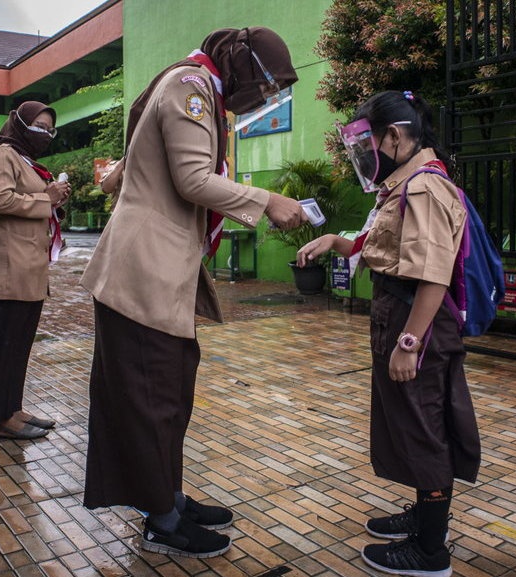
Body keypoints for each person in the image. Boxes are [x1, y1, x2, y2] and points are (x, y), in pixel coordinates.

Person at [79, 27, 306, 558]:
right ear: (243, 65)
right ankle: (161, 521)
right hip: (143, 271)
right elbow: (192, 179)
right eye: (269, 84)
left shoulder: (199, 88)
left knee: (168, 394)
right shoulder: (190, 86)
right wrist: (267, 199)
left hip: (158, 268)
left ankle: (169, 498)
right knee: (151, 397)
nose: (269, 97)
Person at [296, 90, 481, 577]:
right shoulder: (404, 183)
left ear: (394, 137)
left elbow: (432, 275)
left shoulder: (422, 187)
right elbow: (383, 249)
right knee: (413, 421)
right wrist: (334, 241)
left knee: (425, 428)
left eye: (368, 146)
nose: (365, 159)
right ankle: (424, 515)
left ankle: (429, 550)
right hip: (400, 315)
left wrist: (409, 343)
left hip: (413, 322)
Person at [0, 101, 71, 440]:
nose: (45, 133)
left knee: (18, 345)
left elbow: (29, 200)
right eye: (38, 125)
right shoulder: (3, 155)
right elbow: (0, 199)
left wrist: (54, 200)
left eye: (50, 129)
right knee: (2, 344)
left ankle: (13, 408)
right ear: (21, 124)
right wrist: (46, 199)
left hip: (27, 268)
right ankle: (3, 418)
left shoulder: (25, 161)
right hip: (7, 268)